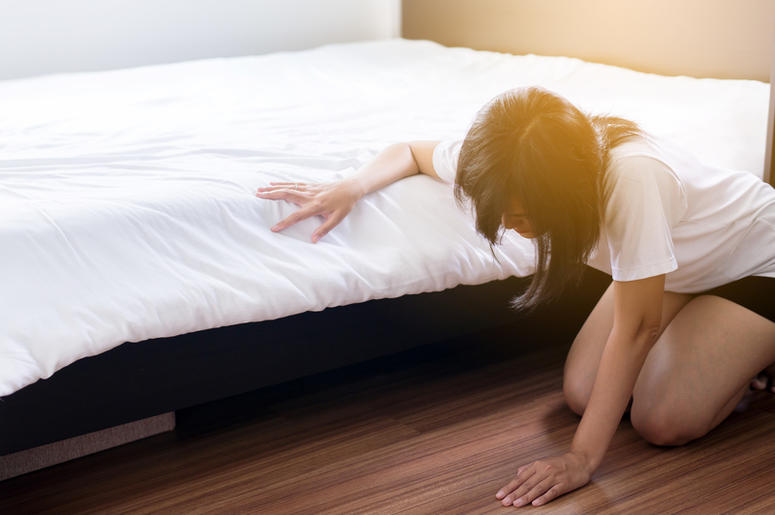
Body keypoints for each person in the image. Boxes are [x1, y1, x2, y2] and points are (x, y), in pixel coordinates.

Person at [256, 86, 775, 508]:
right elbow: (411, 152)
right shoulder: (502, 164)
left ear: (565, 190)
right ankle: (724, 347)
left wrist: (581, 459)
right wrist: (352, 186)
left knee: (662, 421)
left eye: (524, 215)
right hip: (677, 269)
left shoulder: (633, 178)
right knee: (582, 394)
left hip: (757, 262)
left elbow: (638, 328)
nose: (510, 223)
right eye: (501, 212)